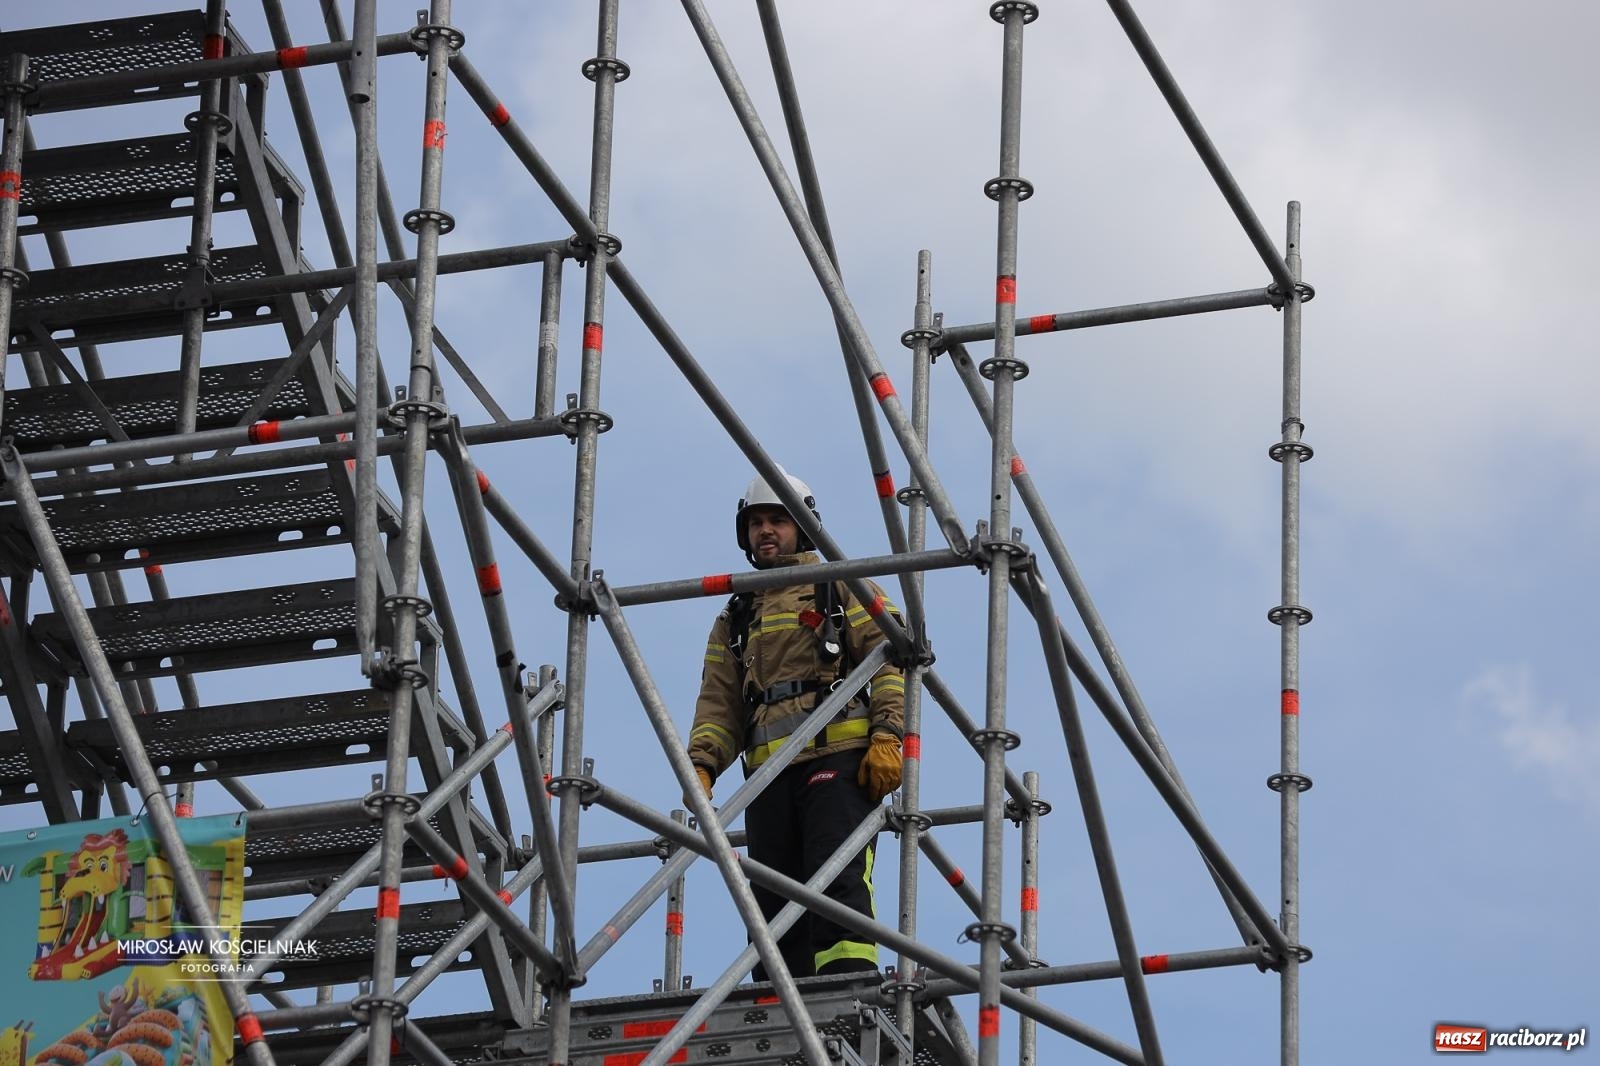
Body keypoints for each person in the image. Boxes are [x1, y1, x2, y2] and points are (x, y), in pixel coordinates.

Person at [685, 468, 906, 980]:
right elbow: (718, 705)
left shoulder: (839, 586)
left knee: (837, 878)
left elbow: (890, 659)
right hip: (766, 777)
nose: (765, 531)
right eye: (756, 522)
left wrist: (887, 735)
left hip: (840, 760)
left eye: (778, 521)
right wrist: (701, 767)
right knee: (771, 902)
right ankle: (781, 1006)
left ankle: (847, 991)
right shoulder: (735, 618)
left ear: (803, 528)